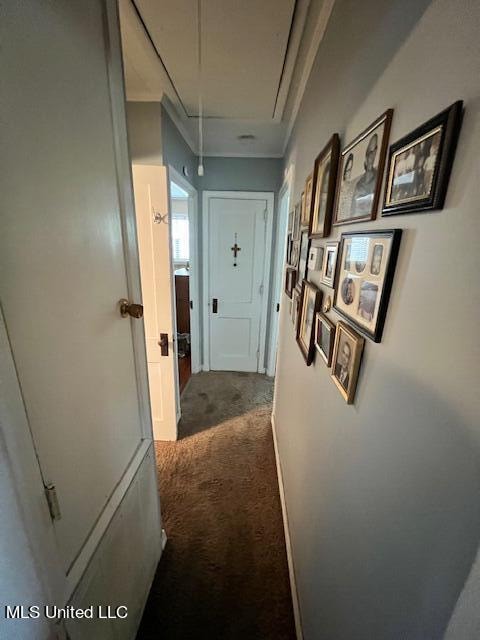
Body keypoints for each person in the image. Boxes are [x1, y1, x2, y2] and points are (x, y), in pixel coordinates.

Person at [351, 133, 378, 217]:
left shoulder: (378, 177)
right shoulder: (358, 182)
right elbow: (353, 210)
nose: (371, 155)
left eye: (373, 152)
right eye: (370, 152)